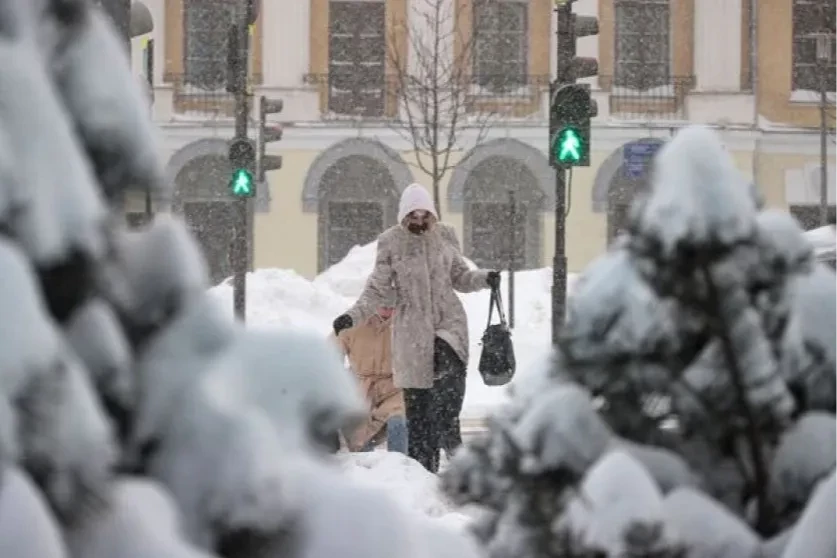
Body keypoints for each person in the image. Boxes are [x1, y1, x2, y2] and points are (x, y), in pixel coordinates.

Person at [332, 183, 500, 472]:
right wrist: (352, 317)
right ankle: (424, 473)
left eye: (425, 215)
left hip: (448, 322)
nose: (419, 221)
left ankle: (448, 428)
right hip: (411, 330)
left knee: (445, 380)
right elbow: (377, 289)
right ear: (404, 215)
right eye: (414, 215)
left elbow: (460, 276)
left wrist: (485, 278)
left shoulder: (445, 236)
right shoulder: (390, 242)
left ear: (432, 214)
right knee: (419, 412)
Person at [332, 301, 407, 454]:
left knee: (398, 421)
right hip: (360, 387)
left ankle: (401, 465)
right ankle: (364, 468)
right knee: (359, 438)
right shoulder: (352, 321)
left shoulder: (407, 322)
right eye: (383, 303)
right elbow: (331, 356)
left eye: (392, 303)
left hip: (395, 386)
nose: (387, 308)